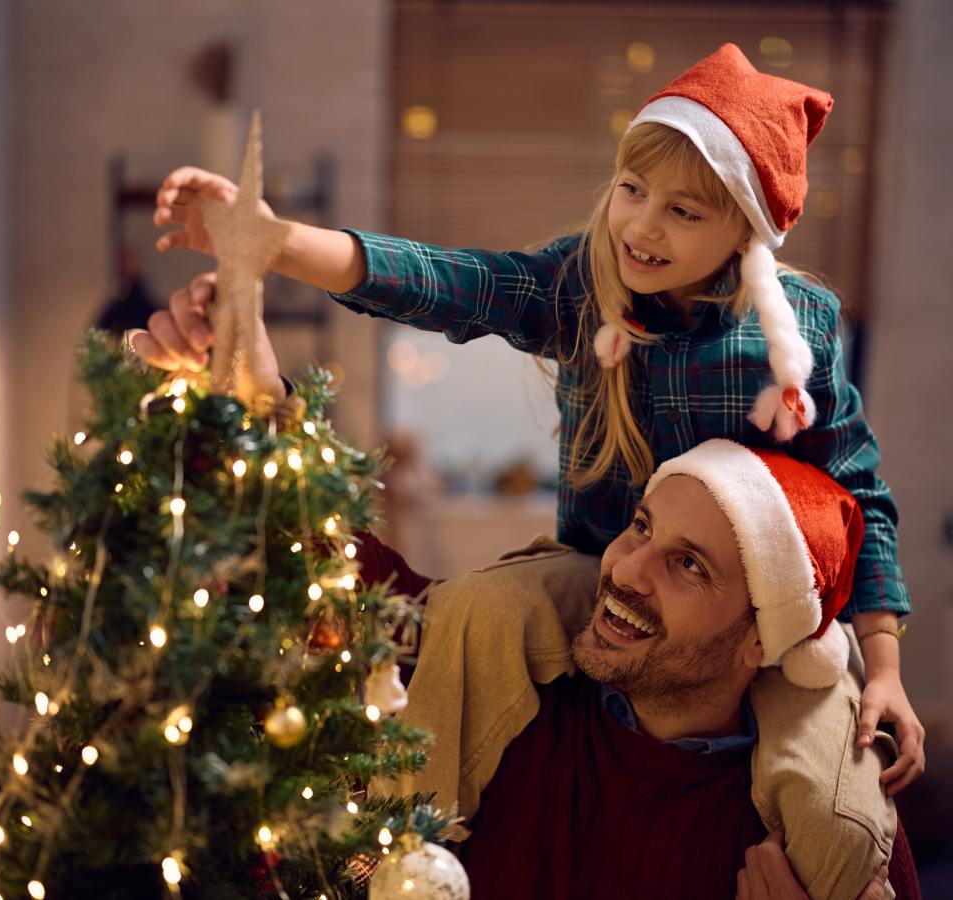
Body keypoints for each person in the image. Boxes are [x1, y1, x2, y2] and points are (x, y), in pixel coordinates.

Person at [146, 43, 926, 791]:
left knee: (834, 785)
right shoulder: (577, 288)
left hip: (745, 624)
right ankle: (420, 834)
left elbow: (861, 492)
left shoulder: (798, 331)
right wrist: (276, 242)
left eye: (683, 211)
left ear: (744, 230)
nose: (641, 226)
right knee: (472, 618)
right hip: (594, 578)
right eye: (631, 189)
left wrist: (883, 665)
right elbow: (453, 282)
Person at [130, 279, 915, 899]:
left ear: (760, 637)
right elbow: (345, 577)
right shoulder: (504, 691)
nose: (628, 570)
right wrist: (260, 402)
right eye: (640, 528)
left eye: (690, 566)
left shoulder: (813, 841)